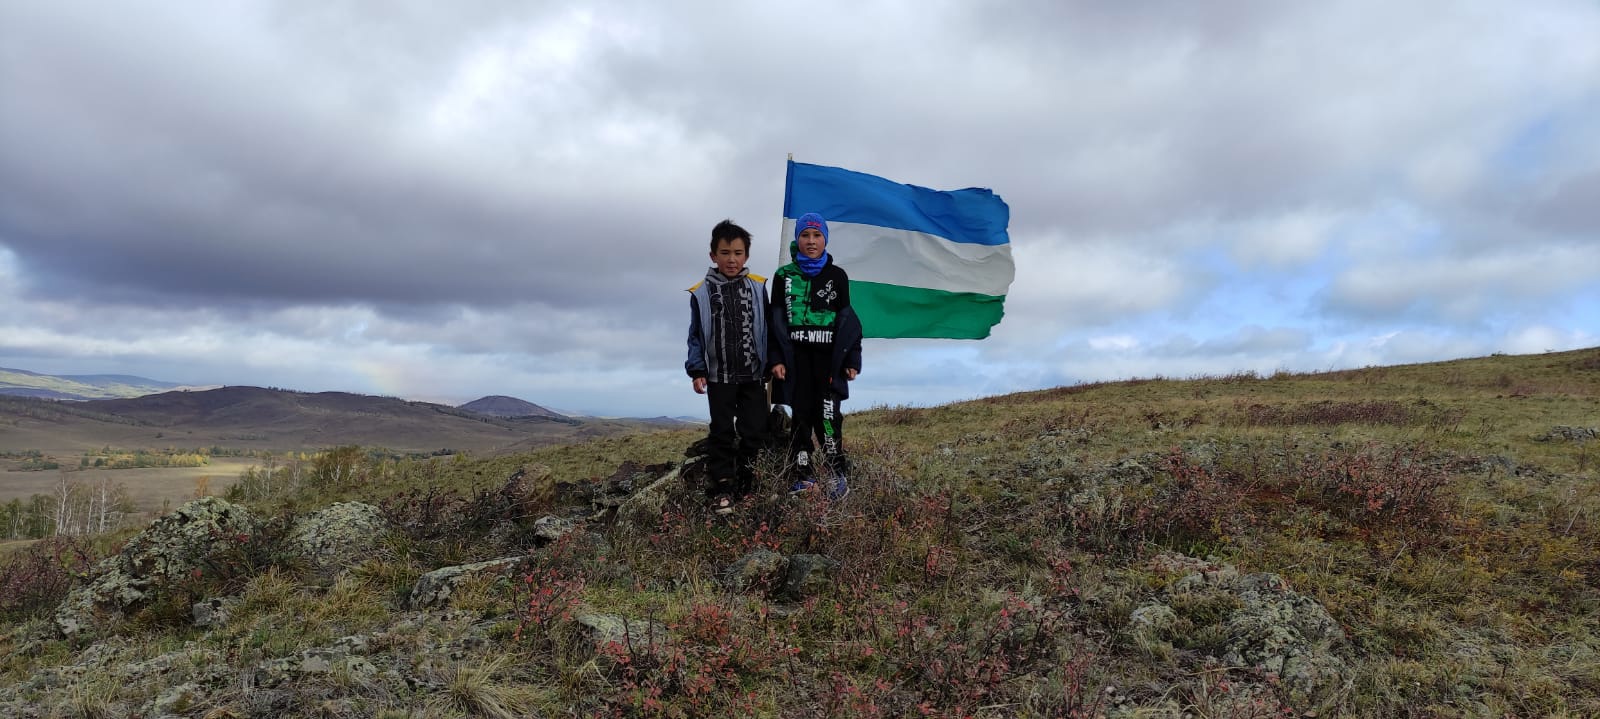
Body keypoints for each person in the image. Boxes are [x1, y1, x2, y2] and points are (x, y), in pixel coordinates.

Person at [771, 212, 862, 499]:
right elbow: (775, 324)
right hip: (796, 363)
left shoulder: (838, 276)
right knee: (800, 419)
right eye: (805, 235)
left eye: (817, 235)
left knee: (828, 417)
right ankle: (803, 475)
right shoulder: (783, 277)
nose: (811, 241)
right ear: (797, 239)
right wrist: (776, 358)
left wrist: (852, 360)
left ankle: (836, 472)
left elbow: (848, 324)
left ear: (825, 239)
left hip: (828, 364)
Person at [686, 219, 773, 513]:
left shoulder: (758, 287)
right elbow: (695, 335)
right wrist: (697, 370)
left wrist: (772, 362)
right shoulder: (701, 292)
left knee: (754, 429)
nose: (731, 259)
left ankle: (747, 483)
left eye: (738, 253)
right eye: (725, 253)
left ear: (746, 255)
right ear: (713, 255)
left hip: (753, 375)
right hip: (718, 377)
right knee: (721, 431)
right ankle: (723, 486)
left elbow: (768, 328)